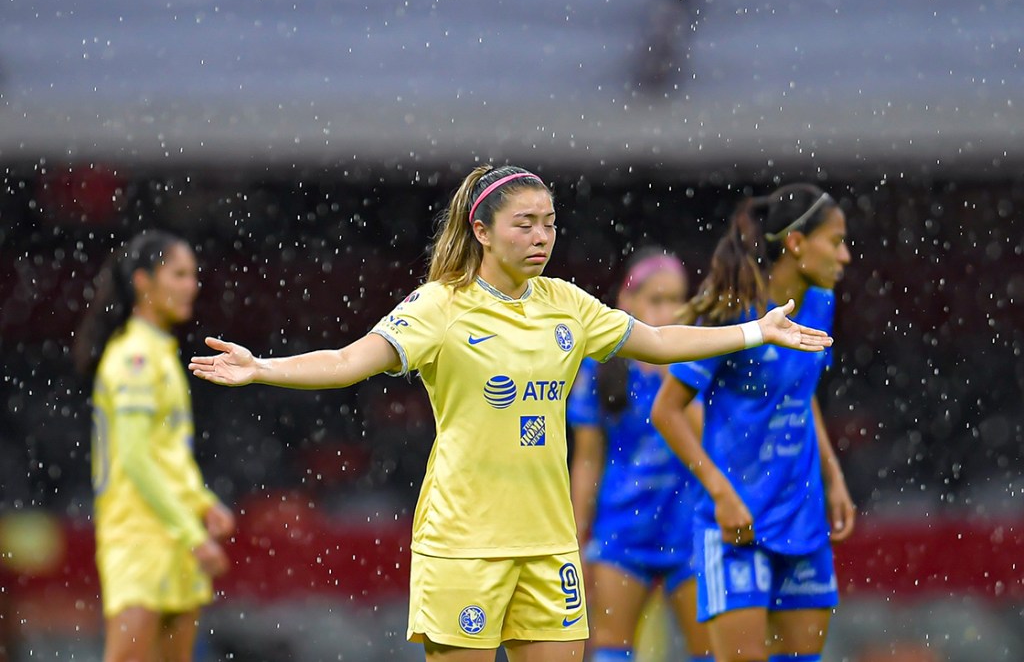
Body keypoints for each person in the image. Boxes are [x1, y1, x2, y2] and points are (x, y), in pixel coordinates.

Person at [188, 165, 832, 662]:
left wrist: (755, 333)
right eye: (524, 223)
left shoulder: (565, 304)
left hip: (549, 546)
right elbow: (352, 359)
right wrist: (264, 367)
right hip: (464, 544)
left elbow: (659, 342)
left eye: (549, 223)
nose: (541, 236)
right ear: (482, 229)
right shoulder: (439, 306)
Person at [650, 184, 856, 662]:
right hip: (737, 522)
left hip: (801, 515)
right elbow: (666, 410)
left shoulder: (821, 303)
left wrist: (833, 475)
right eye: (836, 240)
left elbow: (801, 397)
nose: (845, 256)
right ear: (798, 244)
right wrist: (721, 495)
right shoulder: (733, 313)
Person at [73, 231, 234, 662]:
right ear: (143, 281)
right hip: (140, 537)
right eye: (179, 274)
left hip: (174, 532)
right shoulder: (134, 358)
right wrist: (191, 532)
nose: (191, 286)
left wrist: (201, 503)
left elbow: (166, 453)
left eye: (194, 275)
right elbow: (135, 458)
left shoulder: (159, 352)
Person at [567, 248, 712, 662]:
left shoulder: (699, 351)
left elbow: (708, 441)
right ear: (628, 303)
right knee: (612, 649)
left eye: (677, 299)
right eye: (657, 299)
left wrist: (676, 376)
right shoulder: (601, 362)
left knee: (710, 652)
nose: (669, 310)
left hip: (689, 528)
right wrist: (578, 536)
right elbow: (588, 458)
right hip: (621, 532)